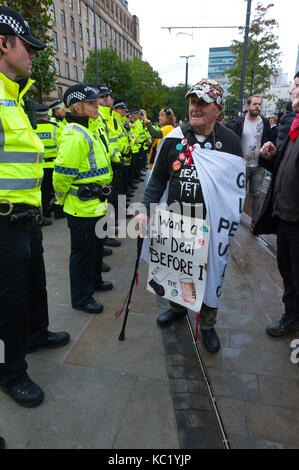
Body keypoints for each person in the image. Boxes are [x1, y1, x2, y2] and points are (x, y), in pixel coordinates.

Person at [135, 79, 244, 353]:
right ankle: (177, 308)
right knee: (175, 272)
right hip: (175, 222)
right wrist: (144, 211)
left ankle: (207, 324)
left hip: (210, 226)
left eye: (203, 102)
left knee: (209, 276)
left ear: (218, 108)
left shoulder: (230, 142)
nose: (195, 107)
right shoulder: (174, 139)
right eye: (193, 101)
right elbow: (157, 181)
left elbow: (236, 191)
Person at [0, 6, 70, 408]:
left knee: (33, 288)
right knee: (7, 303)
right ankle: (10, 371)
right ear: (3, 43)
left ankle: (35, 334)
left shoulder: (14, 95)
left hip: (26, 218)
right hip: (4, 223)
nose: (33, 54)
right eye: (27, 46)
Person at [53, 84, 114, 314]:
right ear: (77, 106)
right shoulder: (73, 134)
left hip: (96, 205)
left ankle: (95, 281)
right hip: (81, 206)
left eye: (97, 100)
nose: (97, 104)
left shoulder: (89, 128)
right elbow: (61, 176)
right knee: (82, 254)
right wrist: (62, 199)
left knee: (96, 249)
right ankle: (81, 297)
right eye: (91, 102)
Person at [253, 74, 299, 337]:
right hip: (285, 215)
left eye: (296, 85)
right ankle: (291, 315)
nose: (291, 90)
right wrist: (269, 158)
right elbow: (284, 169)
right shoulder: (292, 126)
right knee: (288, 270)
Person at [232, 95, 273, 228]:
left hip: (258, 165)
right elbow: (234, 141)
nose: (257, 107)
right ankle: (235, 218)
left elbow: (269, 139)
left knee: (256, 194)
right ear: (248, 106)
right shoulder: (240, 122)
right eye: (254, 104)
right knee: (239, 193)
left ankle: (255, 220)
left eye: (259, 104)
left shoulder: (265, 122)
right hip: (242, 165)